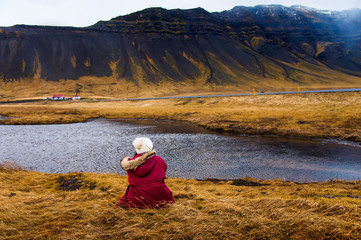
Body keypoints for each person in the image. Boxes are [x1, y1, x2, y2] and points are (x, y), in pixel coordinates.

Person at [115, 137, 175, 208]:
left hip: (137, 199)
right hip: (160, 197)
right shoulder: (159, 160)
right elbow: (163, 172)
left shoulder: (130, 164)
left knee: (123, 202)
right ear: (150, 146)